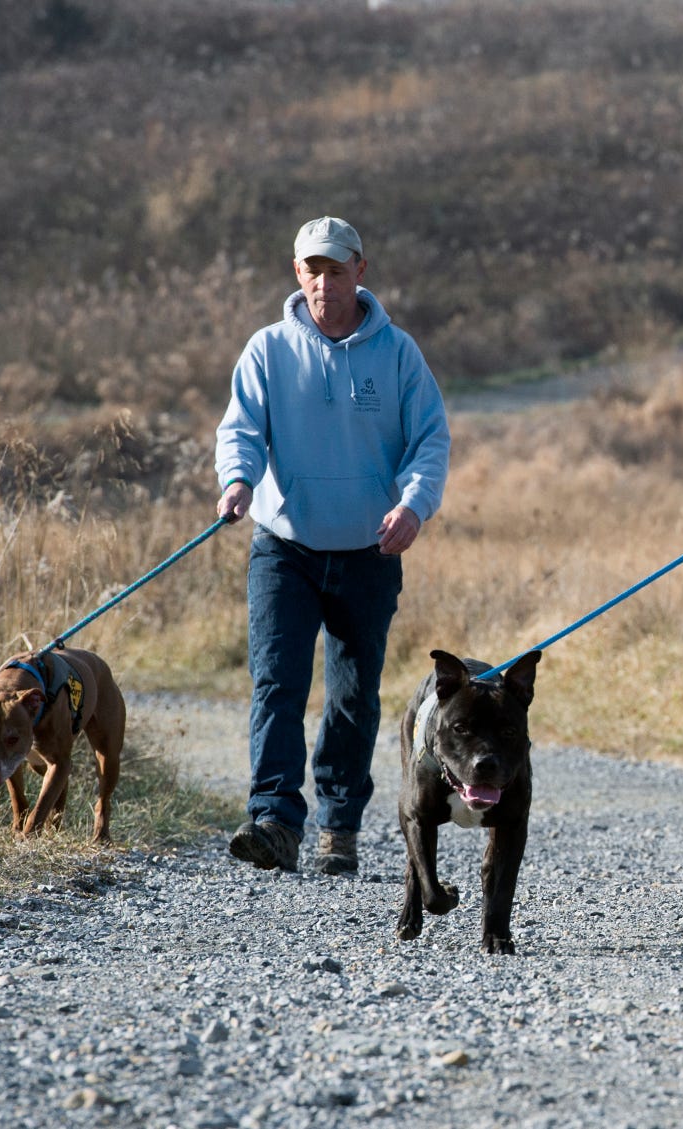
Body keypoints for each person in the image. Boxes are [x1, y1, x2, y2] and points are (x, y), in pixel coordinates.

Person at [214, 215, 451, 876]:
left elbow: (430, 440)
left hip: (369, 551)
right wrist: (237, 481)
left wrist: (413, 505)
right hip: (283, 547)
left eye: (335, 269)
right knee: (277, 682)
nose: (323, 282)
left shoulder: (398, 353)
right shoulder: (267, 349)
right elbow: (240, 431)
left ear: (360, 272)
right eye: (311, 270)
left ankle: (338, 827)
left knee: (352, 695)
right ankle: (274, 820)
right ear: (298, 274)